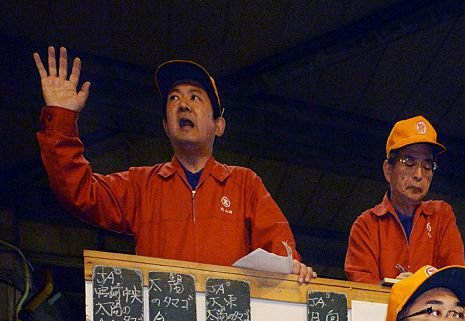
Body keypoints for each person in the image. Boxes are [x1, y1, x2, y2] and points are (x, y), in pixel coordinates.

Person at [33, 47, 315, 283]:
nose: (183, 105)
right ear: (166, 126)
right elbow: (80, 193)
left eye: (195, 97)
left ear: (219, 125)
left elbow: (280, 251)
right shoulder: (141, 185)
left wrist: (293, 268)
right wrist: (61, 117)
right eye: (174, 98)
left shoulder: (245, 184)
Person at [344, 116, 465, 284]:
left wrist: (419, 286)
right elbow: (363, 294)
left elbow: (457, 278)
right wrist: (398, 292)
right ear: (388, 170)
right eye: (409, 162)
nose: (419, 175)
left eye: (427, 165)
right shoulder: (366, 226)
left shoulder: (442, 216)